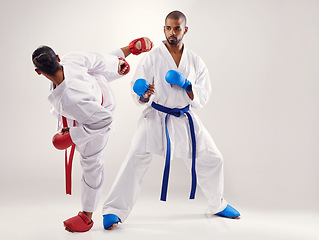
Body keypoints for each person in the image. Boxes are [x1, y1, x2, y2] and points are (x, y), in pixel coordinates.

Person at [102, 11, 241, 230]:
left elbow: (203, 95)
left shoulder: (195, 61)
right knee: (134, 159)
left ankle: (217, 203)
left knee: (213, 158)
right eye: (168, 28)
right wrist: (143, 93)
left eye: (177, 28)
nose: (172, 32)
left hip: (185, 118)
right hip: (156, 116)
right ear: (164, 29)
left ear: (185, 30)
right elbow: (139, 87)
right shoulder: (153, 57)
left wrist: (187, 85)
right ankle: (113, 210)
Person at [32, 37, 153, 233]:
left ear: (38, 72)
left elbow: (104, 120)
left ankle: (86, 217)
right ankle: (130, 49)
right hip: (96, 82)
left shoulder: (70, 100)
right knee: (96, 65)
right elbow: (98, 60)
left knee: (91, 163)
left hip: (97, 114)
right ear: (57, 57)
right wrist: (119, 61)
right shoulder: (70, 59)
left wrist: (73, 135)